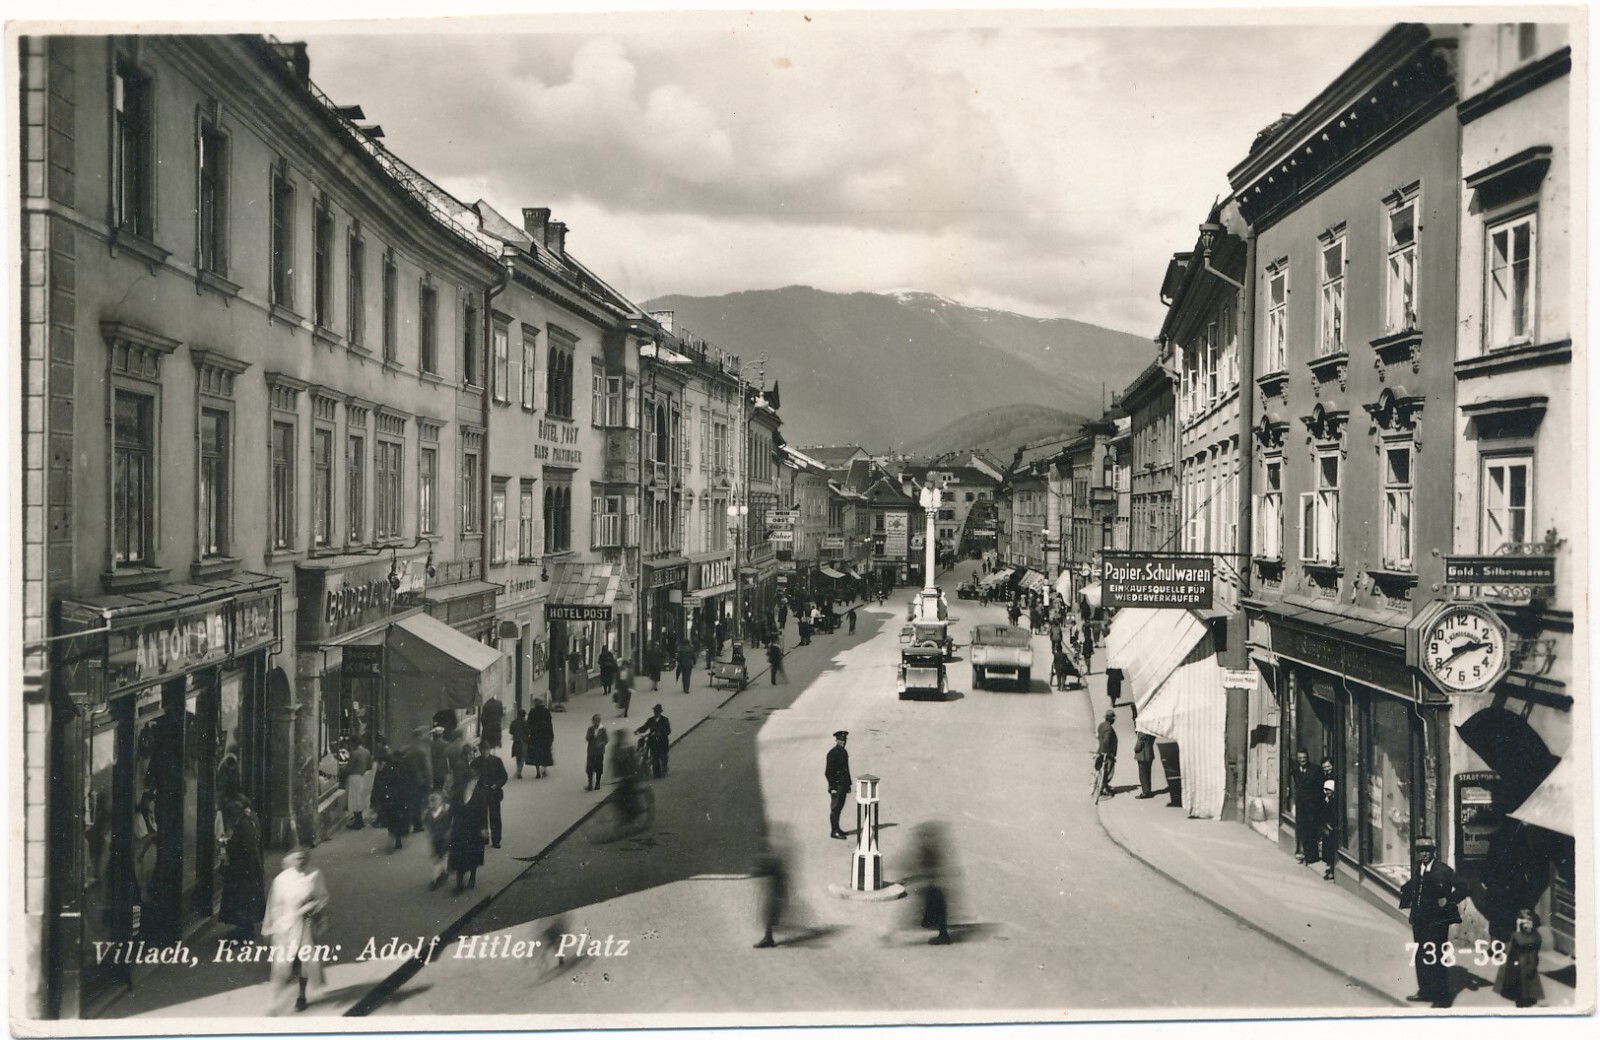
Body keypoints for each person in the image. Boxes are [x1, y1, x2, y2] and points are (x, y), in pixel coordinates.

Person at [1398, 836, 1470, 1006]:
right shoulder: (1419, 867)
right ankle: (1425, 991)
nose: (1424, 854)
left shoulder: (1443, 870)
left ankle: (1442, 998)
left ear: (1433, 851)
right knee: (1421, 955)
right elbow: (1416, 884)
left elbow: (1465, 887)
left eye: (1427, 850)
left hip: (1437, 921)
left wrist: (1449, 900)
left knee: (1436, 957)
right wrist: (1406, 890)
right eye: (1420, 851)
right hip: (1420, 919)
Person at [262, 848, 329, 1014]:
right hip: (284, 927)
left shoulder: (315, 874)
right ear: (290, 859)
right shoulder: (281, 880)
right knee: (280, 965)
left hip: (306, 925)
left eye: (303, 857)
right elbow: (273, 905)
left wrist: (313, 907)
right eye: (297, 858)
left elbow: (323, 897)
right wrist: (269, 927)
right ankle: (273, 1001)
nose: (301, 861)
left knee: (304, 962)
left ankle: (301, 996)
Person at [218, 796, 266, 941]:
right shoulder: (252, 817)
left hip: (243, 869)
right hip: (251, 867)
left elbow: (244, 846)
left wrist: (227, 844)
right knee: (247, 899)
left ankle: (244, 931)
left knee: (242, 899)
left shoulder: (243, 823)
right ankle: (244, 929)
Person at [448, 773, 489, 894]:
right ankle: (459, 884)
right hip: (459, 830)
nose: (473, 784)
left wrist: (484, 828)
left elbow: (483, 813)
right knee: (458, 856)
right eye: (471, 781)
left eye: (474, 781)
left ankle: (472, 876)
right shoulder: (457, 795)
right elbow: (451, 812)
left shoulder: (480, 795)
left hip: (474, 829)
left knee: (473, 855)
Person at [1495, 908, 1544, 1008]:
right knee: (1519, 986)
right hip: (1519, 964)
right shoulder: (1521, 933)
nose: (1526, 924)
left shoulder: (1535, 936)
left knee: (1526, 987)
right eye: (1523, 921)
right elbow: (1512, 941)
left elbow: (1522, 942)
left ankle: (1525, 1002)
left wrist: (1518, 928)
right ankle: (1520, 998)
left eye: (1529, 921)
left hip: (1528, 964)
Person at [372, 751, 411, 850]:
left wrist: (377, 799)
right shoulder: (401, 768)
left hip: (390, 798)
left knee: (392, 818)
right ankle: (398, 838)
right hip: (400, 798)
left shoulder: (386, 770)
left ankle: (394, 836)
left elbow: (380, 785)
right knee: (398, 817)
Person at [475, 742, 509, 848]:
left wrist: (496, 785)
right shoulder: (476, 762)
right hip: (481, 792)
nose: (485, 752)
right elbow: (471, 778)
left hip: (493, 792)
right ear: (480, 751)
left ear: (489, 750)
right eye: (483, 750)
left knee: (495, 816)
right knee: (482, 816)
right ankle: (484, 838)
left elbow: (504, 776)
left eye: (487, 750)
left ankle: (496, 839)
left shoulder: (497, 761)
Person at [1291, 749, 1322, 863]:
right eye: (1300, 758)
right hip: (1300, 805)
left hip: (1312, 805)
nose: (1302, 760)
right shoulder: (1295, 770)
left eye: (1304, 758)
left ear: (1307, 757)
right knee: (1302, 829)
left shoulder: (1315, 770)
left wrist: (1316, 803)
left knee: (1311, 830)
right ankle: (1303, 852)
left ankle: (1312, 856)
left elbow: (1319, 787)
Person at [341, 736, 372, 830]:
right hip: (361, 777)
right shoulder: (367, 752)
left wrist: (342, 771)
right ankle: (360, 821)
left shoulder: (354, 753)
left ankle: (358, 822)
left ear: (354, 743)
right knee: (359, 799)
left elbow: (349, 768)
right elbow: (369, 766)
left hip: (354, 777)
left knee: (354, 799)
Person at [422, 789, 452, 890]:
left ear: (441, 802)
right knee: (439, 858)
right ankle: (444, 872)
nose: (433, 804)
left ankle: (434, 880)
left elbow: (448, 825)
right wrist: (428, 833)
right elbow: (426, 824)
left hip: (444, 839)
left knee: (439, 858)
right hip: (434, 839)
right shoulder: (428, 814)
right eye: (431, 801)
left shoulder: (445, 813)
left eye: (435, 801)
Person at [826, 731, 852, 839]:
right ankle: (834, 831)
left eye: (844, 740)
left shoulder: (843, 752)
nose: (843, 742)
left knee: (839, 807)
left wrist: (848, 784)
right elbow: (829, 772)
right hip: (837, 785)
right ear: (836, 740)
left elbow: (846, 769)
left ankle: (837, 829)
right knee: (835, 808)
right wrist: (832, 787)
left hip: (843, 784)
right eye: (841, 740)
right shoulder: (833, 753)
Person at [635, 704, 672, 779]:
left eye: (657, 711)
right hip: (653, 742)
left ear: (660, 712)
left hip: (662, 742)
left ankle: (664, 769)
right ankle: (657, 773)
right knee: (655, 757)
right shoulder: (650, 720)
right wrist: (638, 731)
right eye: (655, 711)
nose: (655, 712)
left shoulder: (665, 720)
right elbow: (645, 727)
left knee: (663, 756)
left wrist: (661, 733)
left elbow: (668, 730)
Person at [1317, 779, 1339, 880]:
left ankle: (1332, 870)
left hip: (1331, 829)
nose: (1327, 792)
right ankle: (1330, 868)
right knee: (1328, 850)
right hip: (1326, 829)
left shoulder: (1334, 802)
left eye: (1329, 790)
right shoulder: (1326, 800)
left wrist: (1330, 826)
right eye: (1325, 790)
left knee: (1331, 850)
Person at [527, 698, 555, 779]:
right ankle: (544, 769)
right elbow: (549, 724)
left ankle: (538, 771)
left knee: (536, 753)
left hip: (535, 736)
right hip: (545, 735)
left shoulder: (532, 712)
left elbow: (529, 724)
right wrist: (551, 735)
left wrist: (530, 733)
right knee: (545, 752)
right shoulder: (546, 712)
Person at [1095, 709, 1118, 797]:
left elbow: (1099, 736)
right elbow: (1107, 740)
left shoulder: (1101, 725)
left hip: (1100, 750)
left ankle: (1102, 785)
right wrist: (1108, 752)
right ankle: (1104, 787)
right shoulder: (1109, 729)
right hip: (1107, 752)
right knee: (1108, 769)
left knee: (1100, 768)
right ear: (1111, 719)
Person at [584, 715, 608, 791]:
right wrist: (590, 736)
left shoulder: (603, 729)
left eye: (597, 721)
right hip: (591, 751)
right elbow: (587, 738)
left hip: (599, 752)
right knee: (589, 768)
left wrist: (601, 743)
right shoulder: (590, 729)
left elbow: (606, 739)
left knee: (599, 767)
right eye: (595, 721)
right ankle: (590, 784)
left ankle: (597, 783)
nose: (596, 722)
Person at [1133, 732, 1157, 799]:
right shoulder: (1151, 732)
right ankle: (1148, 790)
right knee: (1148, 773)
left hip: (1142, 755)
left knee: (1143, 775)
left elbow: (1138, 746)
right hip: (1149, 753)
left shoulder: (1142, 733)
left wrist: (1135, 749)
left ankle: (1145, 792)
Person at [509, 709, 530, 779]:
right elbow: (528, 732)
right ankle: (519, 772)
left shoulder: (513, 722)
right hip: (524, 741)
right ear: (524, 715)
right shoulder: (526, 723)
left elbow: (511, 732)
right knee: (523, 757)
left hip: (516, 741)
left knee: (518, 757)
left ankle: (518, 771)